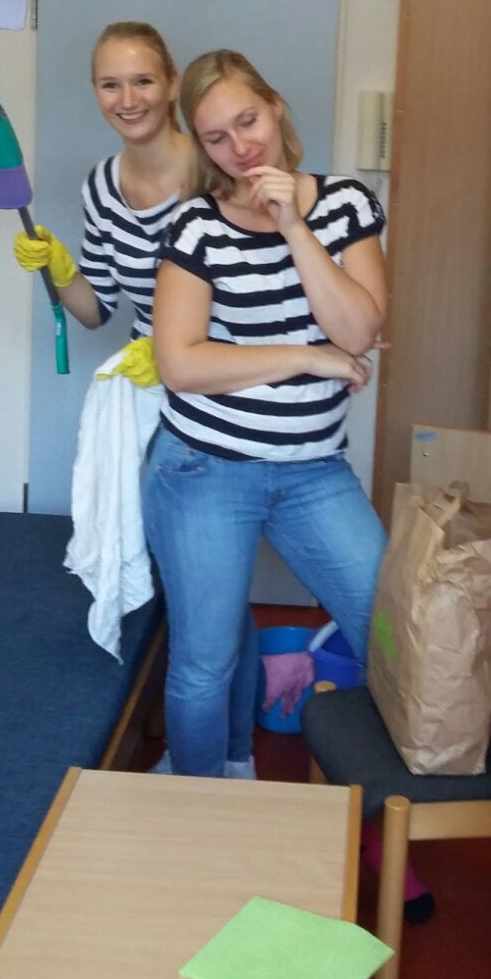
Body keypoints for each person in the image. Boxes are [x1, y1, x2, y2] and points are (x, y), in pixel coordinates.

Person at [11, 22, 259, 776]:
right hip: (158, 407)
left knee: (207, 594)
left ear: (172, 83)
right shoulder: (100, 186)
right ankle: (226, 755)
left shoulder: (215, 170)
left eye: (143, 80)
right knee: (205, 592)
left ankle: (228, 758)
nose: (128, 98)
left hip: (225, 398)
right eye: (110, 84)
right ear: (95, 91)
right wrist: (59, 271)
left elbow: (259, 296)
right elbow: (99, 310)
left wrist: (184, 349)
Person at [141, 48, 388, 780]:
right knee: (205, 662)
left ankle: (386, 799)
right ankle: (202, 804)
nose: (240, 147)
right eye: (216, 137)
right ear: (202, 146)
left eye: (248, 121)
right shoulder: (195, 227)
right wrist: (307, 357)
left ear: (276, 107)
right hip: (203, 468)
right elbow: (181, 364)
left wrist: (295, 229)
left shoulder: (345, 205)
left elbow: (357, 331)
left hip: (313, 470)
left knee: (388, 630)